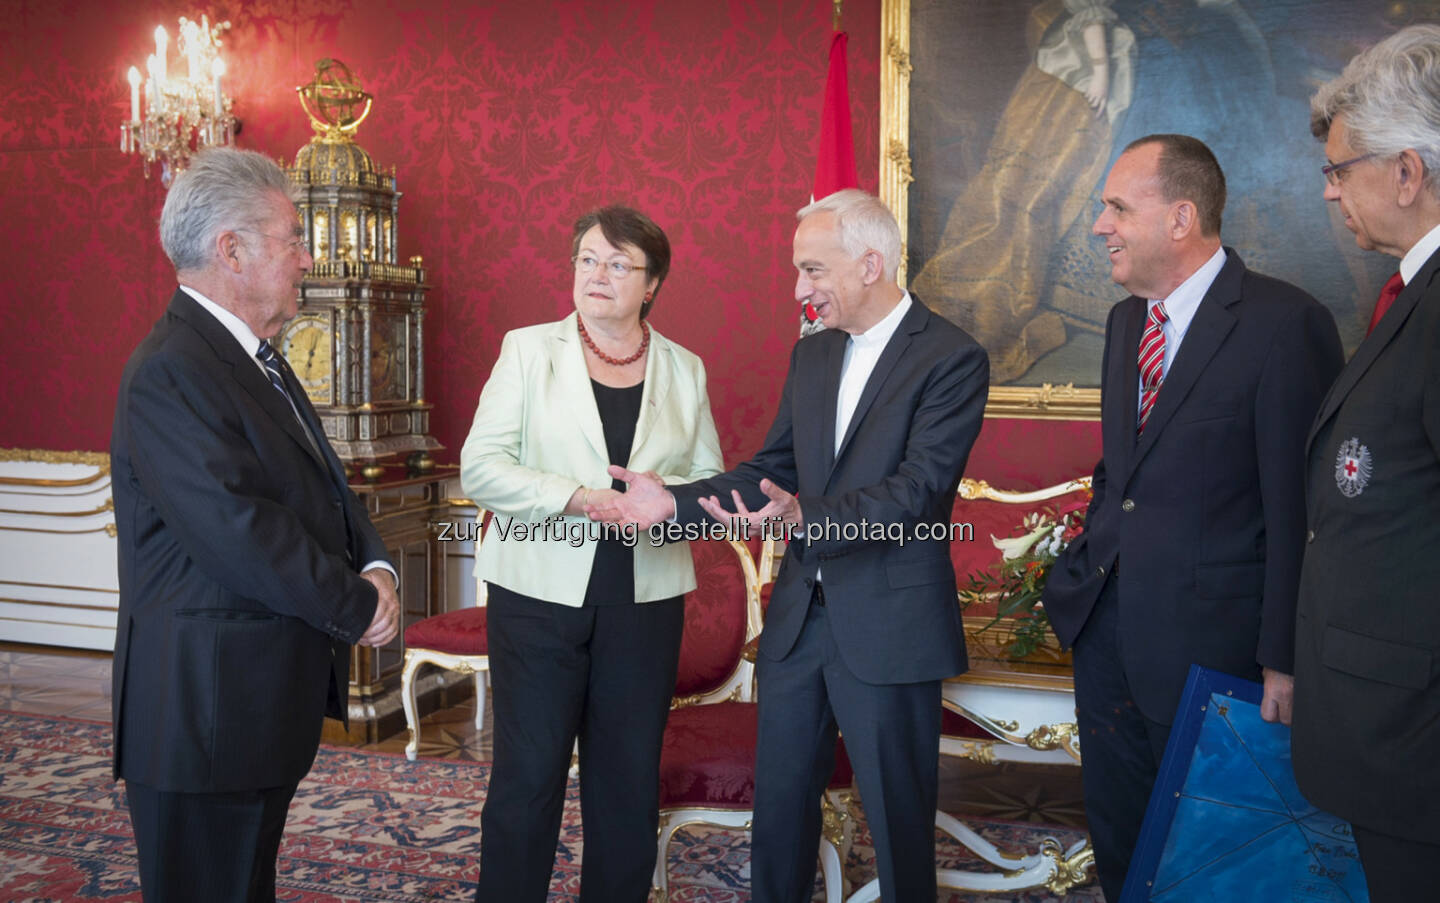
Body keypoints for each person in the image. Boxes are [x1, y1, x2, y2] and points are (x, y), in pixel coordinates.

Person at [589, 188, 989, 903]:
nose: (799, 288)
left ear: (871, 264)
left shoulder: (952, 357)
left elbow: (917, 492)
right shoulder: (813, 354)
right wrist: (669, 505)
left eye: (812, 270)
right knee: (778, 817)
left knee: (899, 829)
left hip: (891, 627)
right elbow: (770, 471)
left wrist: (804, 515)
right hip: (799, 623)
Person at [1039, 134, 1343, 899]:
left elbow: (1300, 504)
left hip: (1218, 648)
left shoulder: (1284, 323)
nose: (1100, 225)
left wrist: (1286, 655)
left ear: (1180, 218)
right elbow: (1122, 475)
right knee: (1120, 840)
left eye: (1116, 207)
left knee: (1216, 857)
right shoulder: (1122, 324)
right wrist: (1078, 573)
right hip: (1106, 632)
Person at [110, 146, 400, 902]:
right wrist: (357, 605)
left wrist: (377, 564)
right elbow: (241, 531)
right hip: (204, 716)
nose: (309, 256)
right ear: (229, 250)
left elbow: (322, 485)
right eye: (293, 237)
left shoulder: (253, 356)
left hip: (247, 707)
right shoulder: (172, 368)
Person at [459, 205, 723, 903]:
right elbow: (480, 467)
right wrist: (577, 497)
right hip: (537, 594)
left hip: (645, 599)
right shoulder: (528, 349)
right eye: (587, 259)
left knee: (627, 778)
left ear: (652, 283)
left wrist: (667, 498)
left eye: (617, 263)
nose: (597, 275)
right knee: (529, 775)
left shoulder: (684, 370)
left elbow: (707, 483)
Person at [1294, 25, 1440, 901]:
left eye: (1340, 170)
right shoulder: (1412, 296)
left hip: (1419, 740)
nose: (1328, 193)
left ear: (1408, 172)